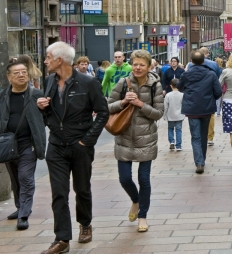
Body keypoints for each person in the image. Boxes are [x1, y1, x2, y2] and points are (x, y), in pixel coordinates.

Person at [37, 42, 109, 254]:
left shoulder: (88, 83)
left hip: (80, 145)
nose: (45, 61)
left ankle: (85, 223)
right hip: (56, 145)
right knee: (59, 193)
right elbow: (49, 113)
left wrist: (87, 140)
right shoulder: (49, 80)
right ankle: (62, 239)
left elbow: (103, 112)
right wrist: (42, 107)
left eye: (48, 57)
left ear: (60, 60)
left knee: (82, 189)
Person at [107, 50, 163, 233]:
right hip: (124, 137)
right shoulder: (124, 83)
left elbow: (158, 113)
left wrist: (140, 104)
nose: (138, 68)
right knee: (124, 179)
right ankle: (136, 200)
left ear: (149, 66)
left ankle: (143, 216)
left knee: (144, 179)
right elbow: (107, 107)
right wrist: (123, 102)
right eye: (135, 64)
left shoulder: (155, 85)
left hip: (146, 138)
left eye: (142, 64)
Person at [0, 61, 46, 230]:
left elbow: (47, 117)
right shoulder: (3, 96)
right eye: (17, 73)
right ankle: (20, 207)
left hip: (29, 144)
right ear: (9, 77)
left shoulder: (36, 95)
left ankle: (24, 214)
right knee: (15, 178)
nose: (21, 75)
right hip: (8, 144)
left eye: (24, 72)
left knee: (25, 177)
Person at [177, 51, 221, 174]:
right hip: (206, 108)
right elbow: (218, 92)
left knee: (195, 136)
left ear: (191, 61)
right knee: (203, 135)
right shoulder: (211, 74)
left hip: (192, 109)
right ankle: (202, 160)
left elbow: (180, 87)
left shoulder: (186, 74)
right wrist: (210, 99)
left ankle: (199, 162)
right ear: (203, 61)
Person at [187, 47, 222, 146]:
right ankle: (210, 137)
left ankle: (197, 136)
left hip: (194, 95)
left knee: (195, 116)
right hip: (209, 93)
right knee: (210, 116)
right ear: (207, 54)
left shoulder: (190, 64)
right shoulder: (214, 64)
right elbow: (218, 79)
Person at [164, 79, 184, 151]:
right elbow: (184, 105)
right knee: (179, 130)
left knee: (170, 128)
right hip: (179, 115)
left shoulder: (168, 95)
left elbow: (165, 106)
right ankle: (178, 145)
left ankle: (172, 141)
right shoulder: (182, 95)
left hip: (170, 115)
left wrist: (164, 115)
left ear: (171, 86)